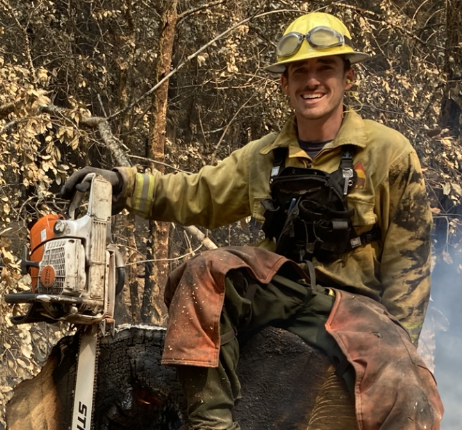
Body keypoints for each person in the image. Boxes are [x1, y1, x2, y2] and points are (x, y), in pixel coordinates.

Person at [62, 12, 443, 430]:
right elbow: (198, 194)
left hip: (358, 308)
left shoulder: (390, 152)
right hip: (286, 292)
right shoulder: (264, 156)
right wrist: (123, 185)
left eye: (325, 68)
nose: (311, 80)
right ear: (284, 83)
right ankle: (211, 425)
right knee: (208, 271)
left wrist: (400, 342)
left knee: (410, 388)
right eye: (299, 71)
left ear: (348, 76)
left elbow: (410, 259)